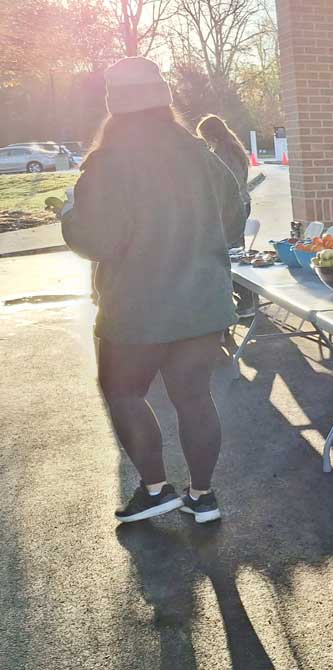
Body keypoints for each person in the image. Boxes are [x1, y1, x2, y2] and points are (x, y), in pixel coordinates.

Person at [60, 56, 247, 524]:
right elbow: (235, 218)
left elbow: (95, 239)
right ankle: (203, 498)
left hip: (135, 308)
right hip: (203, 306)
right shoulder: (200, 155)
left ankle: (156, 489)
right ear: (164, 101)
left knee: (122, 391)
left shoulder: (108, 162)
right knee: (194, 397)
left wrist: (68, 213)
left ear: (114, 107)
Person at [197, 114, 254, 317]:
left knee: (231, 255)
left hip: (232, 209)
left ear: (211, 134)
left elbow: (230, 184)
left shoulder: (225, 153)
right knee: (233, 252)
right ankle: (245, 298)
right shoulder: (230, 148)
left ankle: (247, 299)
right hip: (236, 206)